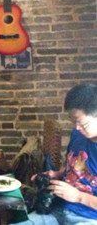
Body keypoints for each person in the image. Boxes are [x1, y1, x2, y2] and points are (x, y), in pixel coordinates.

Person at [17, 83, 97, 224]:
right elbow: (73, 165)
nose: (77, 128)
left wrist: (78, 196)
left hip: (88, 218)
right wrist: (57, 174)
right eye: (73, 121)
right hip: (57, 209)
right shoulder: (77, 134)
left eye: (83, 124)